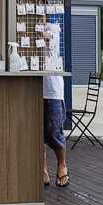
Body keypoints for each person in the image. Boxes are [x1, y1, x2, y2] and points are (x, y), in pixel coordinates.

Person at [42, 24, 69, 187]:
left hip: (53, 91)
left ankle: (62, 163)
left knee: (54, 130)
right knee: (37, 132)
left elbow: (48, 37)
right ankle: (43, 168)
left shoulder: (53, 29)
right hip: (34, 88)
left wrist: (40, 32)